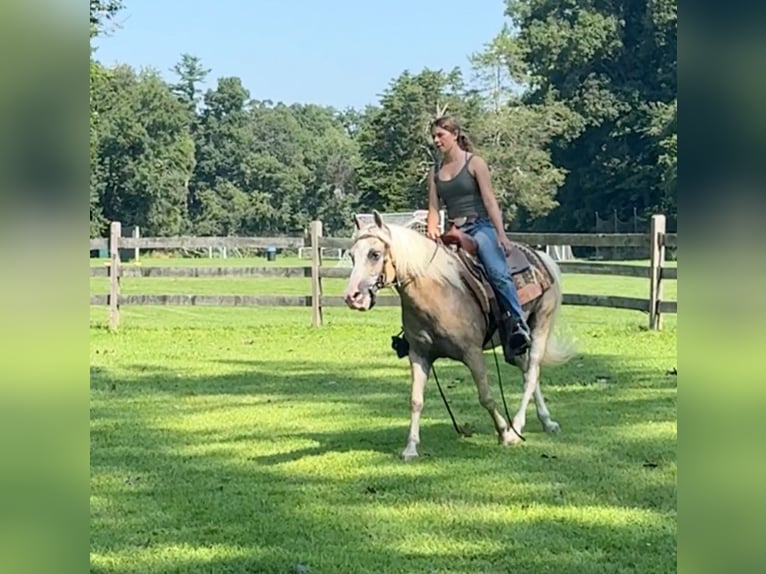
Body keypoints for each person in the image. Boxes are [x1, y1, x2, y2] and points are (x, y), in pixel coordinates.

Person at [425, 114, 531, 356]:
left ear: (454, 134)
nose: (436, 141)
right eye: (433, 136)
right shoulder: (435, 172)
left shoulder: (475, 163)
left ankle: (518, 323)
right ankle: (419, 329)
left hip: (480, 226)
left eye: (440, 135)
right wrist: (432, 229)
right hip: (453, 230)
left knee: (497, 272)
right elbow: (433, 207)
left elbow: (490, 201)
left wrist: (501, 235)